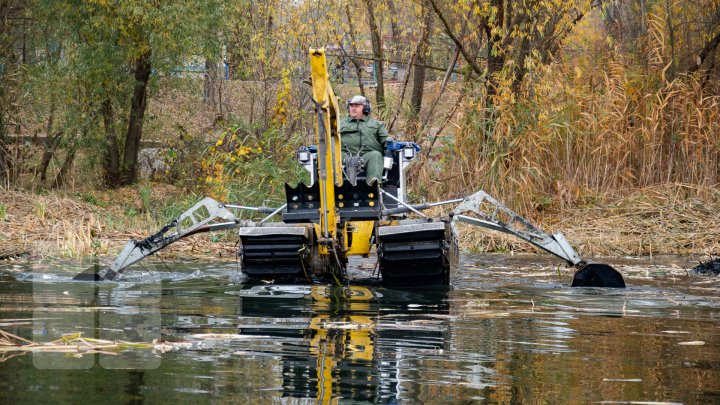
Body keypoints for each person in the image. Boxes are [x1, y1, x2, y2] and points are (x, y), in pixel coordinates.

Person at [339, 95, 388, 185]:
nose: (353, 108)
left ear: (366, 109)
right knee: (332, 155)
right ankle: (333, 184)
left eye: (357, 106)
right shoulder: (339, 124)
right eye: (351, 106)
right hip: (344, 155)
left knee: (376, 155)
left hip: (367, 156)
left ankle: (373, 184)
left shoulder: (377, 124)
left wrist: (390, 143)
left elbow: (386, 140)